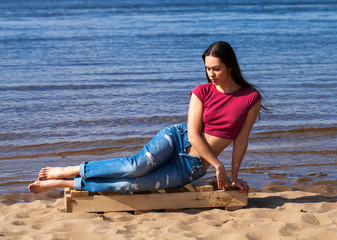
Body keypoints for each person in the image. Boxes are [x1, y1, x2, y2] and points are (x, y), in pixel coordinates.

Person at [28, 41, 266, 194]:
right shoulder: (201, 91)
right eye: (207, 69)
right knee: (135, 167)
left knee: (132, 184)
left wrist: (233, 177)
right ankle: (71, 168)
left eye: (216, 69)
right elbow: (193, 134)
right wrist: (218, 165)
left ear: (230, 67)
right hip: (177, 139)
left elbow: (241, 140)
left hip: (192, 167)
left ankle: (65, 183)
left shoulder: (250, 98)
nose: (211, 74)